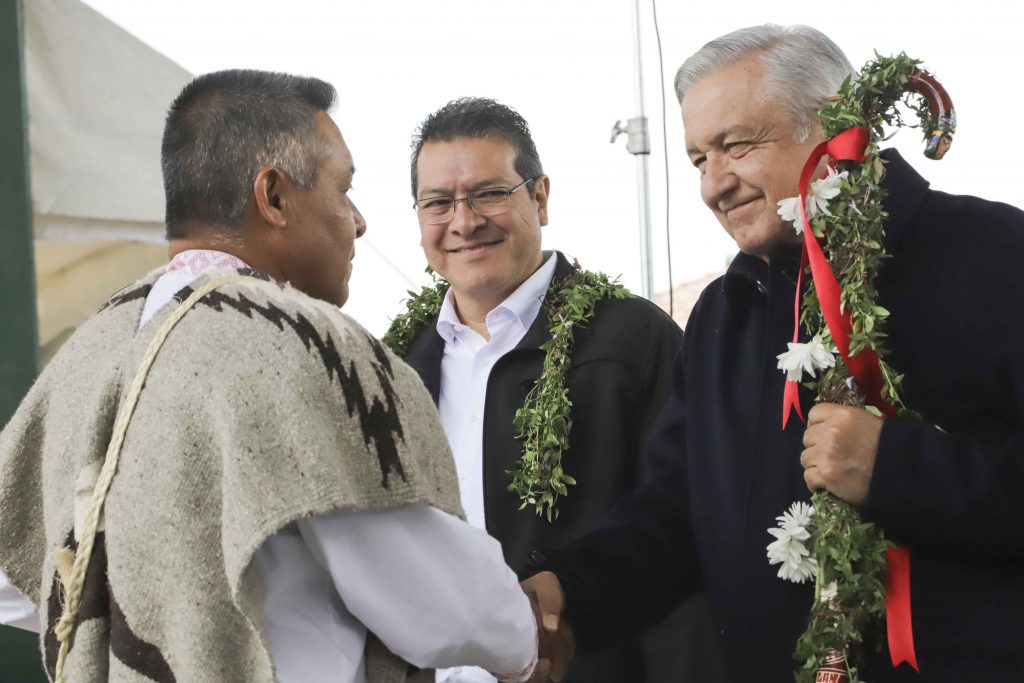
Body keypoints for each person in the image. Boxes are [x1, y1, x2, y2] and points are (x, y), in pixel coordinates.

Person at [0, 70, 542, 683]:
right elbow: (435, 600)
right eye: (344, 189)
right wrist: (525, 641)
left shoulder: (93, 347)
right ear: (275, 197)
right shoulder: (302, 345)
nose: (358, 221)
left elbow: (12, 572)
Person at [522, 24, 1024, 682]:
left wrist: (898, 467)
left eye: (734, 145)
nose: (712, 185)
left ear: (835, 122)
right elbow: (678, 510)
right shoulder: (721, 315)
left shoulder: (995, 254)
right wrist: (569, 593)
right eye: (699, 159)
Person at [388, 97, 725, 683]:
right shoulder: (398, 363)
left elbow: (682, 535)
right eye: (438, 202)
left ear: (540, 196)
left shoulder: (631, 341)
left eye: (489, 193)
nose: (464, 221)